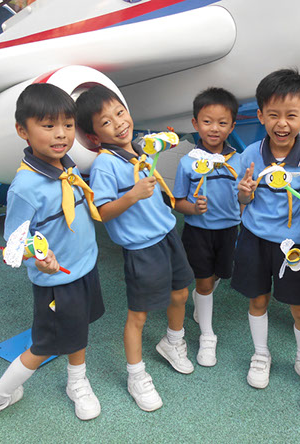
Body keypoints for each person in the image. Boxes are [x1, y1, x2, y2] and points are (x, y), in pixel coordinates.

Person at [0, 83, 105, 421]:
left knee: (78, 329)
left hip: (84, 268)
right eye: (48, 125)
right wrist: (38, 258)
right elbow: (13, 246)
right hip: (56, 282)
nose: (61, 134)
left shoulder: (66, 166)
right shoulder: (25, 187)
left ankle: (77, 382)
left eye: (68, 125)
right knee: (44, 345)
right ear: (22, 130)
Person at [76, 85, 195, 412]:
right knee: (138, 315)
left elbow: (164, 143)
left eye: (120, 112)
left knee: (180, 293)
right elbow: (101, 212)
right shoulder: (104, 164)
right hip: (141, 248)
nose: (118, 123)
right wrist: (132, 195)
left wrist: (170, 138)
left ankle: (173, 342)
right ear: (94, 137)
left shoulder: (140, 148)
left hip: (168, 234)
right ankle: (136, 375)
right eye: (106, 122)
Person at [232, 68, 300, 391]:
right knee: (257, 301)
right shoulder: (250, 154)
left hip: (295, 245)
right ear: (260, 115)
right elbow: (242, 199)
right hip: (254, 239)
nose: (282, 123)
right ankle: (261, 354)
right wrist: (245, 193)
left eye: (291, 115)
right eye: (273, 115)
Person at [173, 87, 241, 367]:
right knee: (203, 281)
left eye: (222, 123)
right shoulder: (187, 163)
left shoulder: (239, 160)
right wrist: (193, 208)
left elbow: (245, 199)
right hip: (198, 232)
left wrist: (247, 194)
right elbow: (178, 202)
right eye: (207, 121)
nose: (214, 128)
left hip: (230, 230)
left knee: (217, 276)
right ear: (195, 123)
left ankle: (203, 298)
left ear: (232, 126)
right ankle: (207, 336)